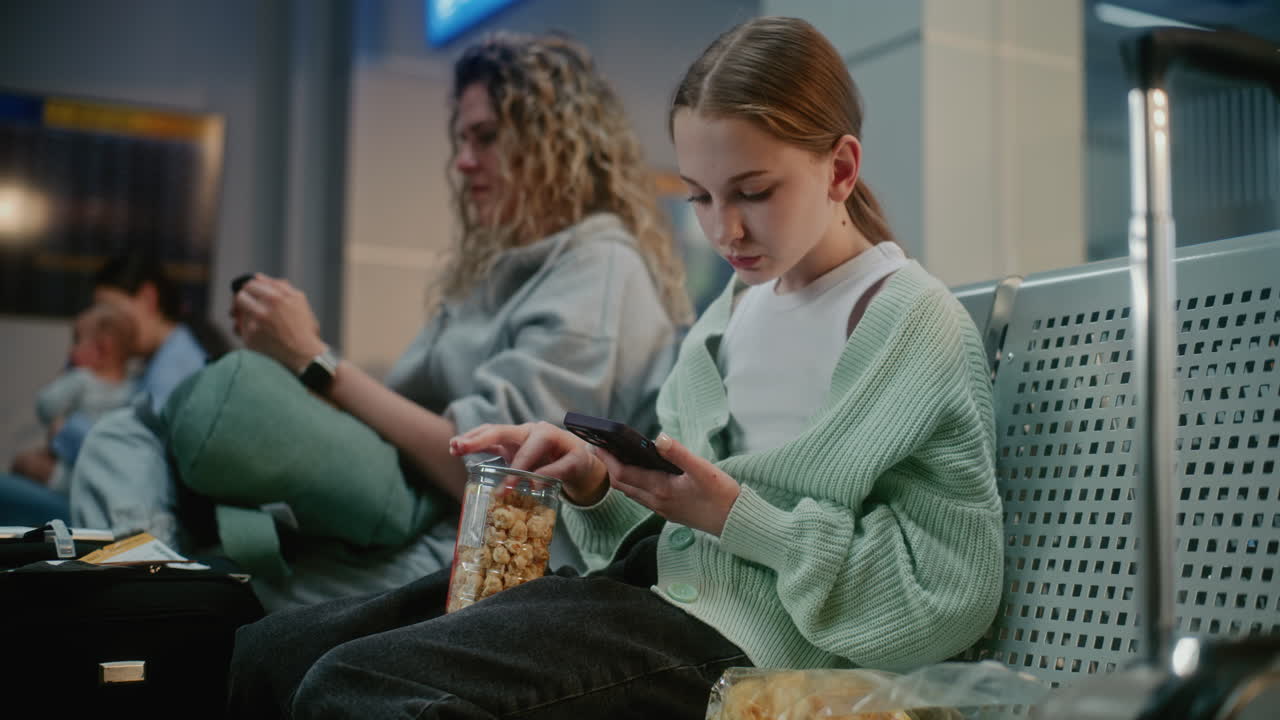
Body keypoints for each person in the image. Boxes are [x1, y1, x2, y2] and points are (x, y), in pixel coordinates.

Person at [226, 16, 1004, 719]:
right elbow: (672, 532)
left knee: (353, 689)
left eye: (753, 192)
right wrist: (596, 483)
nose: (724, 230)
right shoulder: (734, 312)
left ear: (840, 170)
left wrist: (737, 516)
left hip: (746, 652)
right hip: (647, 596)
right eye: (700, 197)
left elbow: (947, 598)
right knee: (271, 651)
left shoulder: (911, 324)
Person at [71, 30, 689, 609]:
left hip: (485, 543)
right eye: (463, 140)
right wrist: (297, 368)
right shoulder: (493, 271)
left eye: (486, 138)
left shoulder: (599, 266)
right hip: (403, 501)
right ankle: (140, 597)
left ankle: (147, 608)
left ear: (554, 145)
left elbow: (499, 471)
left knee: (230, 583)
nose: (463, 162)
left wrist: (315, 361)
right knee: (128, 432)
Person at [0, 253, 222, 525]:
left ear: (148, 299)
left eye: (109, 310)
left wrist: (65, 433)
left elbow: (136, 459)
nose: (104, 325)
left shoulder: (174, 367)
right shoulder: (159, 360)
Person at [9, 302, 138, 491]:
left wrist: (64, 378)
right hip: (105, 478)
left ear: (103, 348)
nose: (70, 350)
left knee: (23, 462)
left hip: (68, 474)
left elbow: (45, 406)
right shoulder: (133, 388)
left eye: (76, 341)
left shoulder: (81, 379)